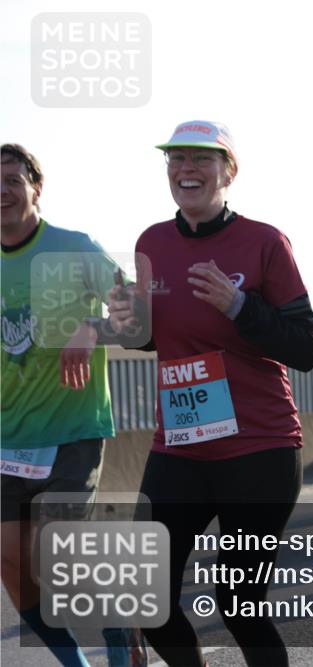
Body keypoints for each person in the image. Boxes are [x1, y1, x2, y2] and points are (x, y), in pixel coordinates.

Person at [105, 121, 313, 667]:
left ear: (229, 172)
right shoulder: (151, 241)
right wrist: (129, 324)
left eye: (202, 159)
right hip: (180, 445)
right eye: (176, 159)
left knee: (240, 604)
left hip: (259, 447)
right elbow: (156, 337)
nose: (186, 169)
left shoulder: (265, 242)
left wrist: (242, 307)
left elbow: (305, 347)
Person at [1, 144, 146, 667]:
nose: (3, 190)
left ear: (35, 187)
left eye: (13, 179)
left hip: (72, 429)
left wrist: (93, 327)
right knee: (13, 566)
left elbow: (139, 314)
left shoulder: (74, 248)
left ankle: (117, 641)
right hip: (7, 438)